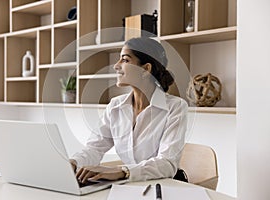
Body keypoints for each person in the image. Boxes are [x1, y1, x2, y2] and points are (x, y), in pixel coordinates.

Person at [70, 37, 188, 184]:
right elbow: (94, 148)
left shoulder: (175, 107)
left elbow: (167, 164)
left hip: (160, 187)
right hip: (127, 186)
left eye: (125, 60)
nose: (116, 66)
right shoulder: (115, 106)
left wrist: (122, 171)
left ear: (145, 69)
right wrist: (73, 163)